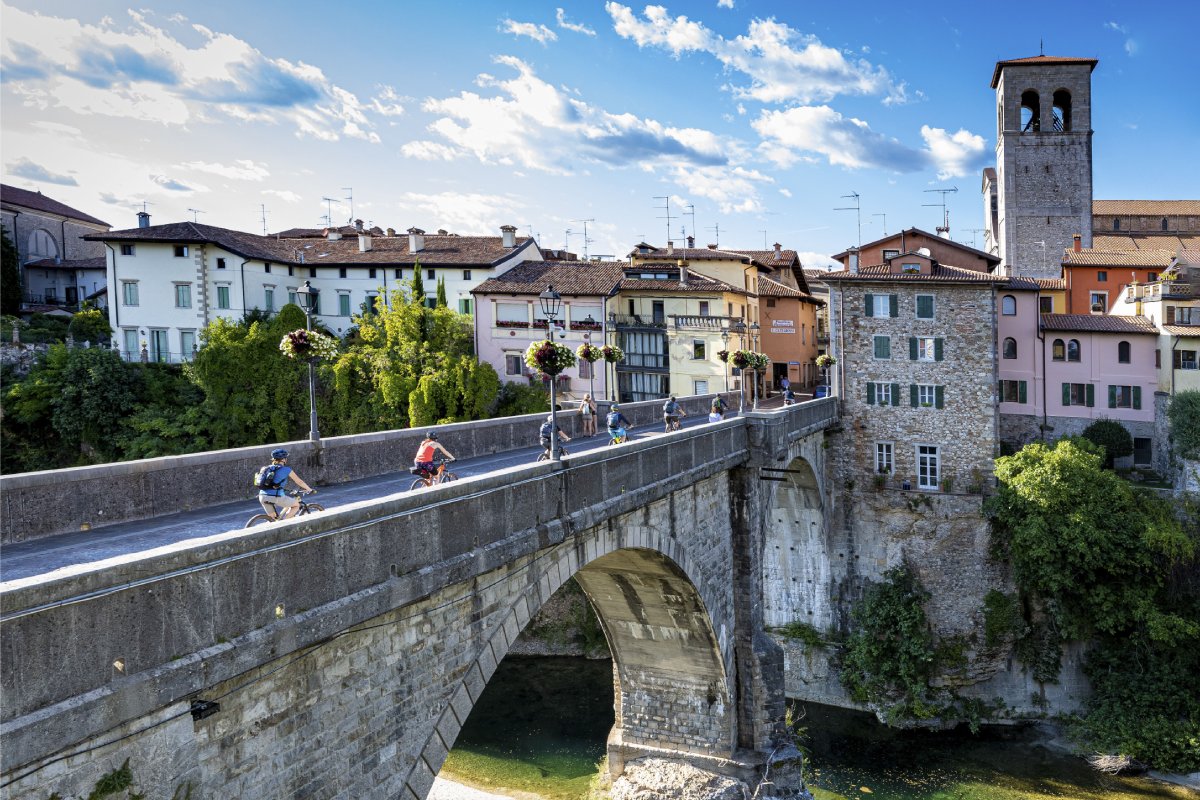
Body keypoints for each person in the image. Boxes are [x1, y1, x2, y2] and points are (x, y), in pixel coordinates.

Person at [257, 448, 315, 521]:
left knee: (274, 520)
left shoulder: (265, 468)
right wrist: (309, 489)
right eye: (286, 458)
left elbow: (269, 483)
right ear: (283, 459)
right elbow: (299, 481)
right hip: (275, 496)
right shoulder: (286, 469)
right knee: (296, 505)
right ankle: (284, 523)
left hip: (262, 496)